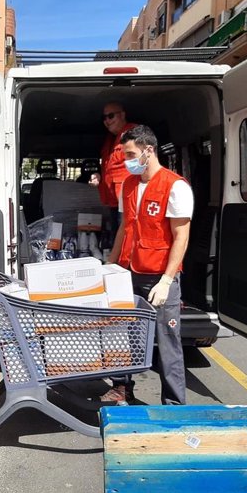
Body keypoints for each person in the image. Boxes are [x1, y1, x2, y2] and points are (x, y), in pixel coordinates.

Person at [104, 125, 193, 406]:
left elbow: (181, 235)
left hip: (157, 276)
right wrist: (111, 263)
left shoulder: (174, 186)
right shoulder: (129, 184)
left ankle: (174, 404)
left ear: (148, 150)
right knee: (124, 334)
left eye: (130, 154)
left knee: (167, 341)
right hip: (128, 271)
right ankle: (122, 388)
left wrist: (167, 280)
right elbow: (124, 228)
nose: (125, 160)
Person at [98, 102, 136, 237]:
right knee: (118, 239)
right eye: (104, 118)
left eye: (111, 116)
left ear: (123, 115)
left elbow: (144, 166)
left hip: (129, 200)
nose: (107, 121)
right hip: (115, 201)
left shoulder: (133, 134)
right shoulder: (111, 139)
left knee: (126, 239)